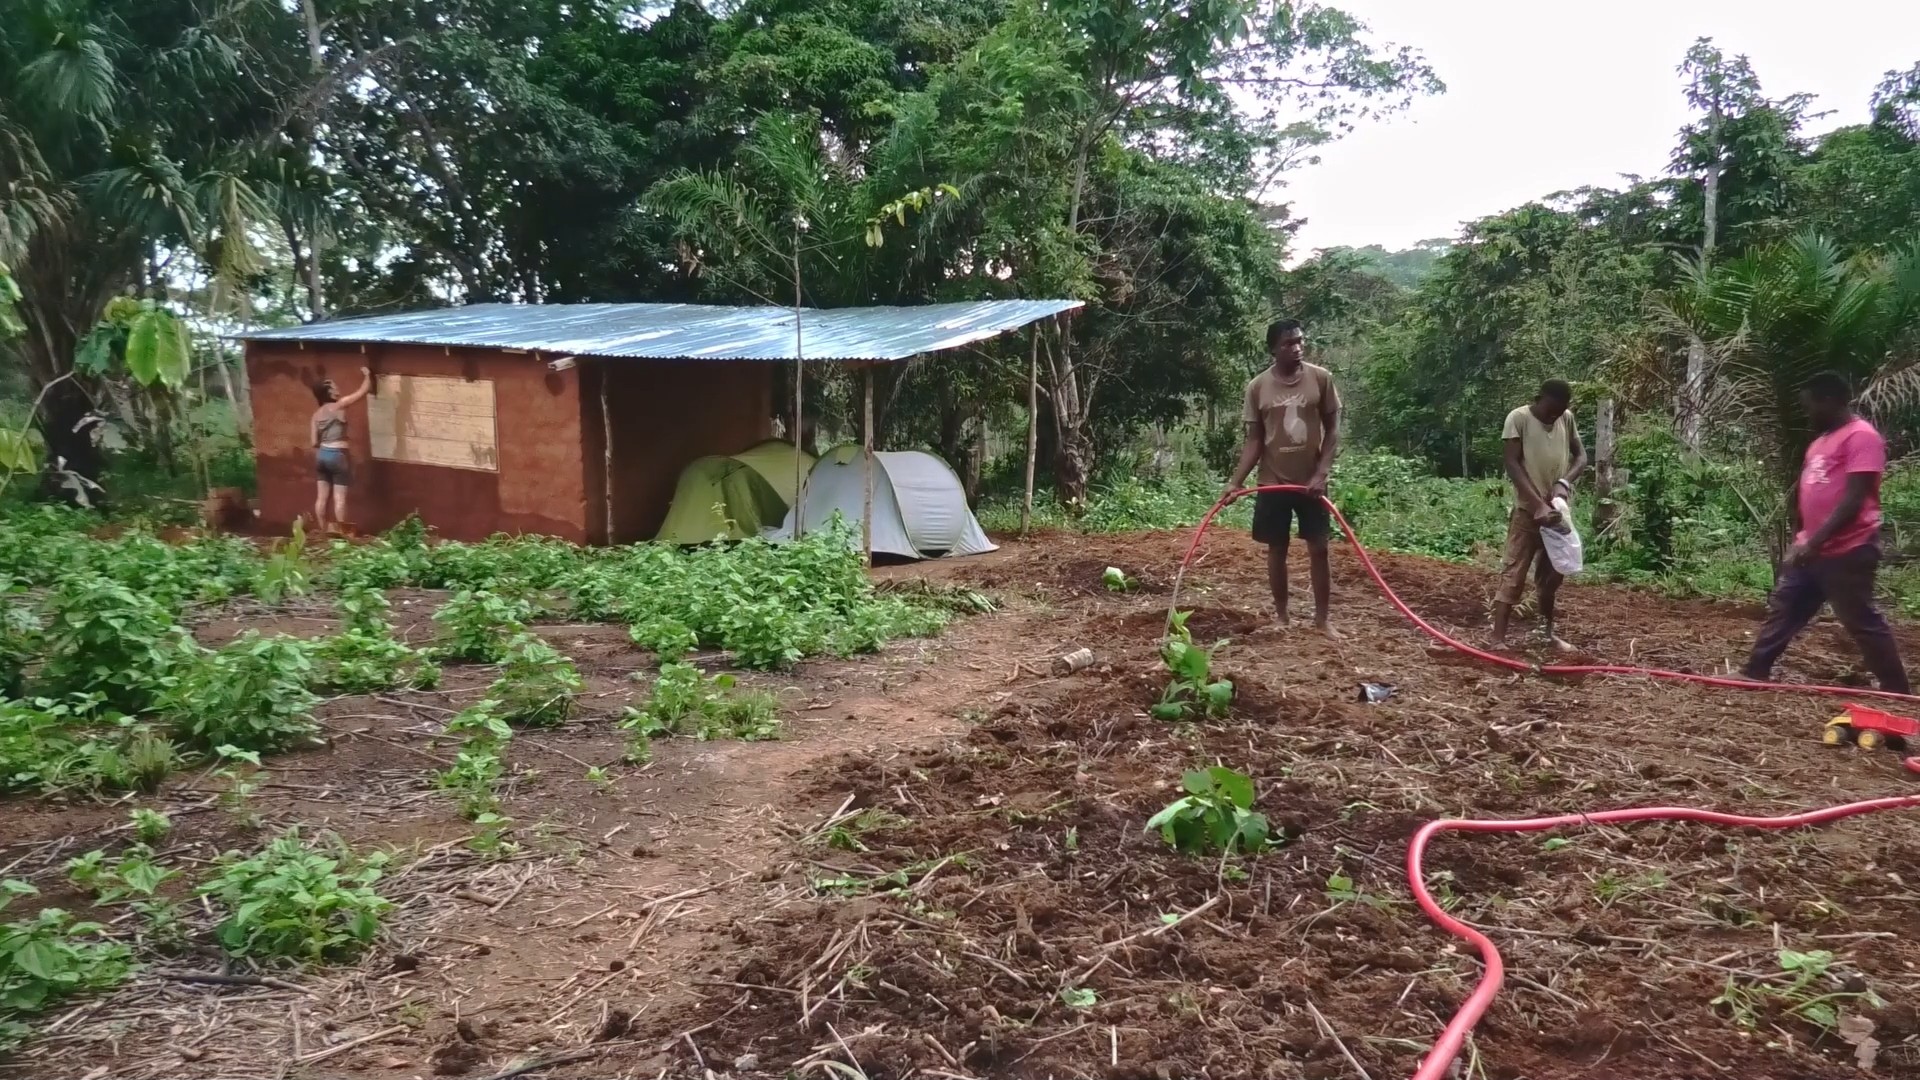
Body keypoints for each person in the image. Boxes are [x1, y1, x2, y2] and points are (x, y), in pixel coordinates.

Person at [1739, 373, 1909, 693]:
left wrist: (1815, 541)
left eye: (1811, 406)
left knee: (1860, 620)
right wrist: (1803, 539)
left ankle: (1896, 690)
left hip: (1849, 548)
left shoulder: (1861, 437)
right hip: (1814, 549)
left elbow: (1855, 498)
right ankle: (1755, 671)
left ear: (1830, 401)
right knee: (1785, 608)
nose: (1808, 413)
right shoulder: (1819, 442)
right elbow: (1814, 493)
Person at [1226, 319, 1342, 635]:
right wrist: (1236, 481)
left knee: (1319, 548)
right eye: (1289, 343)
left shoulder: (1321, 379)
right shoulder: (1258, 387)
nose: (1297, 348)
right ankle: (1282, 617)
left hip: (1312, 484)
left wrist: (1321, 472)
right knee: (1277, 549)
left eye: (1300, 341)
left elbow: (1333, 429)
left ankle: (1322, 620)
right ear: (1274, 349)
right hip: (1272, 481)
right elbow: (1254, 440)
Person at [1492, 379, 1586, 649]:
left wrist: (1564, 483)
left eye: (1560, 411)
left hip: (1557, 513)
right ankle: (1498, 639)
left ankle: (1545, 634)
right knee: (1514, 572)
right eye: (1550, 410)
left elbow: (1581, 457)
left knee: (1553, 574)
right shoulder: (1518, 418)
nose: (1554, 416)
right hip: (1527, 513)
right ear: (1539, 398)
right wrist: (1537, 505)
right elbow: (1511, 462)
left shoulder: (1566, 419)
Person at [312, 366, 372, 535]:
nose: (337, 387)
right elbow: (363, 391)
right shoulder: (340, 405)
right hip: (337, 456)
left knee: (321, 497)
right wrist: (367, 375)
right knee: (339, 498)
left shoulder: (316, 415)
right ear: (329, 393)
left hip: (321, 456)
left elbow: (313, 441)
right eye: (333, 386)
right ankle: (342, 533)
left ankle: (323, 530)